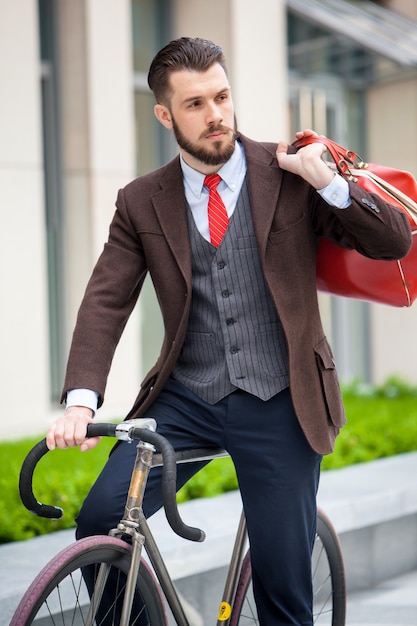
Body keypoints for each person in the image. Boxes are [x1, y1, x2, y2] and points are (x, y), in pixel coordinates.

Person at [46, 37, 411, 625]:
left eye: (221, 96)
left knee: (282, 585)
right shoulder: (141, 201)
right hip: (187, 398)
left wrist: (329, 184)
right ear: (165, 115)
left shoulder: (288, 170)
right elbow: (105, 299)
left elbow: (392, 241)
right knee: (101, 521)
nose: (215, 114)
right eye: (195, 104)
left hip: (282, 397)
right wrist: (82, 401)